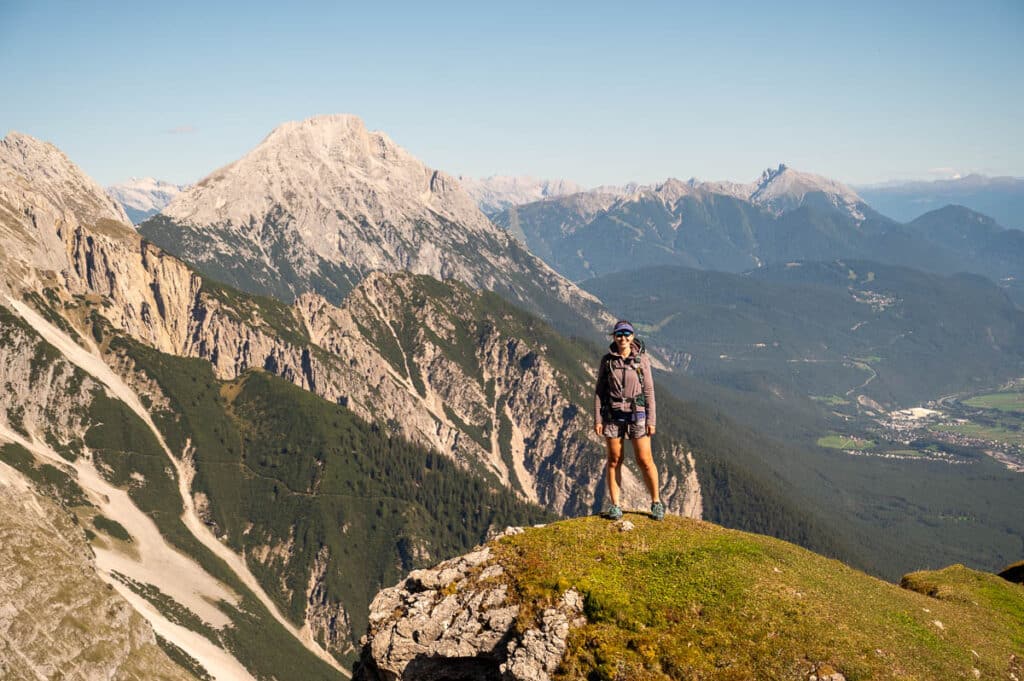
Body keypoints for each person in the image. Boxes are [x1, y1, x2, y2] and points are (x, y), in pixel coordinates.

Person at [594, 320, 665, 521]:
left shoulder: (642, 360)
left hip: (638, 415)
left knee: (645, 459)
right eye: (619, 334)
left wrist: (652, 419)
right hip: (613, 414)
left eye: (626, 334)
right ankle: (615, 505)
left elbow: (649, 391)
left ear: (632, 337)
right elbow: (599, 391)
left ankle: (656, 502)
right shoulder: (607, 361)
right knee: (614, 459)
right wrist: (597, 418)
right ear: (614, 337)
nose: (623, 338)